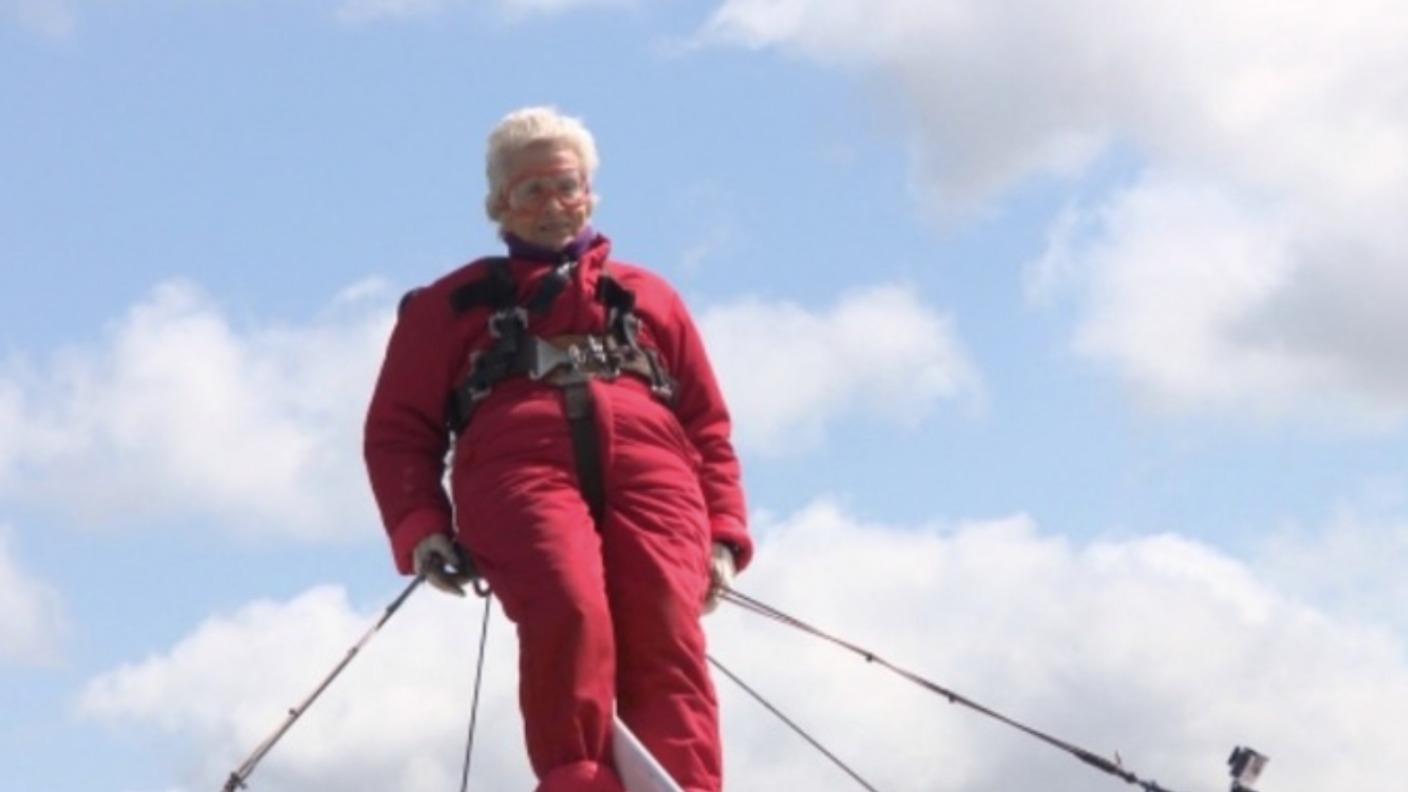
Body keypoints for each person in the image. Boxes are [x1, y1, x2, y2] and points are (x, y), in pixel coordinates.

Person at [363, 105, 753, 792]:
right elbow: (399, 430)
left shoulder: (649, 296)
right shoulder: (451, 305)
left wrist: (723, 533)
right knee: (569, 611)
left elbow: (707, 426)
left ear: (590, 193)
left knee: (667, 626)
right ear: (499, 204)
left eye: (565, 186)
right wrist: (421, 528)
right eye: (531, 190)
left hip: (656, 474)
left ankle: (688, 785)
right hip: (517, 472)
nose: (553, 204)